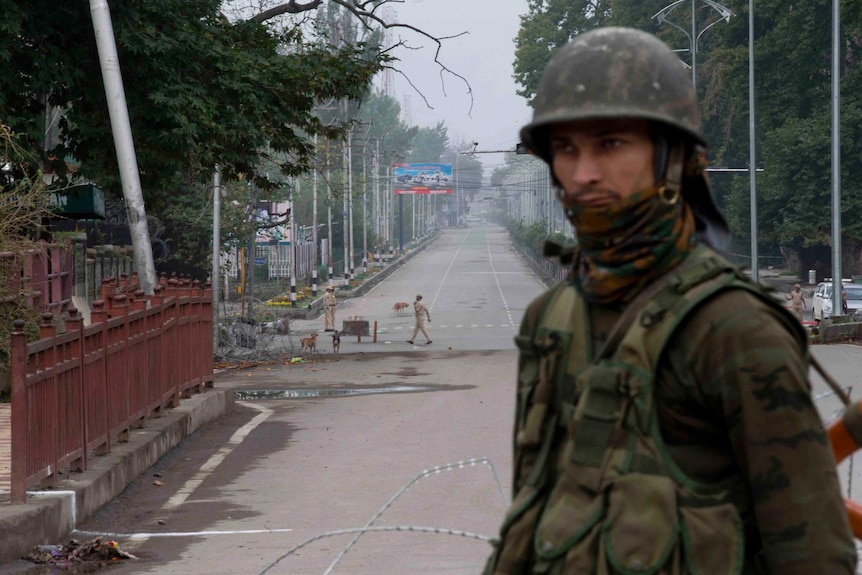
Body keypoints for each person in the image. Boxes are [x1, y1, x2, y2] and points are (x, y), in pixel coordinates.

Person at [483, 27, 856, 575]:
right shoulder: (552, 316)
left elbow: (812, 553)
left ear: (674, 159)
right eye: (566, 149)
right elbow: (538, 507)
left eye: (610, 144)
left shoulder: (734, 327)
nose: (583, 174)